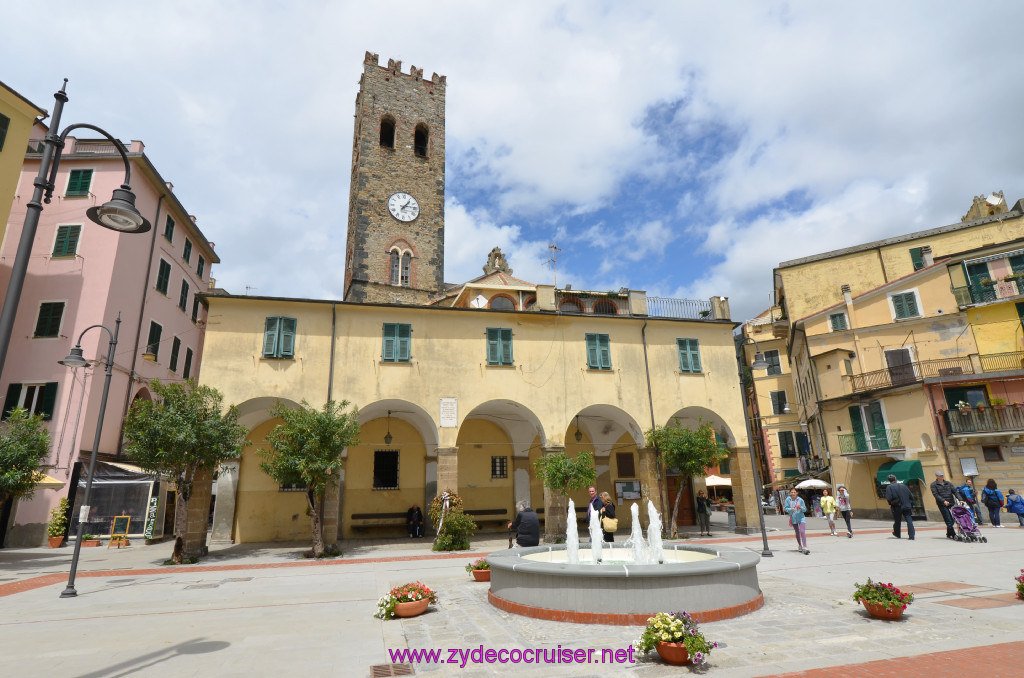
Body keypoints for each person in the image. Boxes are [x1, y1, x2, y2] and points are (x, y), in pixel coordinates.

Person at [884, 474, 915, 540]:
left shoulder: (889, 487)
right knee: (909, 521)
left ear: (889, 481)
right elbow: (911, 496)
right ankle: (911, 536)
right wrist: (910, 503)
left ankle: (897, 534)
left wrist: (891, 503)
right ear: (896, 479)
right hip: (907, 505)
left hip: (897, 506)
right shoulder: (904, 486)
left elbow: (889, 498)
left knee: (897, 521)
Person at [930, 470, 958, 539]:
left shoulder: (948, 483)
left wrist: (961, 499)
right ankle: (953, 534)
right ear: (936, 476)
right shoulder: (934, 485)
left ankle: (948, 533)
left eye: (942, 475)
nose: (941, 477)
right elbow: (936, 495)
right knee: (948, 519)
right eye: (940, 476)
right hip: (942, 504)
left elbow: (955, 491)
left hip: (951, 503)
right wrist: (944, 501)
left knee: (953, 519)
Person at [783, 488, 810, 554]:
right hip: (793, 517)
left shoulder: (800, 500)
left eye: (794, 492)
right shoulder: (788, 499)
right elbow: (785, 508)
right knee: (797, 532)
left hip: (801, 517)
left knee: (802, 531)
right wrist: (790, 509)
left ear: (797, 493)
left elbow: (805, 509)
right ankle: (799, 545)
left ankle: (805, 546)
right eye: (792, 492)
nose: (793, 493)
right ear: (790, 493)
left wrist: (800, 507)